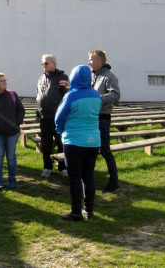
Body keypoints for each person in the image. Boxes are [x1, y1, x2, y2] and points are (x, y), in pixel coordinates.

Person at [55, 65, 102, 221]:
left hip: (74, 140)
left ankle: (76, 213)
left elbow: (59, 118)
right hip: (93, 140)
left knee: (74, 177)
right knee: (88, 175)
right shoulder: (96, 95)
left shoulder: (71, 95)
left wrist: (61, 130)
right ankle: (89, 210)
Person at [88, 50, 121, 193]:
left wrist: (97, 99)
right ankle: (89, 179)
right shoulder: (92, 75)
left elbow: (115, 95)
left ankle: (114, 183)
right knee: (91, 149)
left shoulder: (109, 76)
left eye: (91, 59)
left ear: (99, 61)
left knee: (105, 151)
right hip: (92, 117)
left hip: (102, 118)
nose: (88, 62)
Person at [36, 54, 69, 178]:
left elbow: (66, 97)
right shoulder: (41, 79)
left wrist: (64, 114)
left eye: (46, 63)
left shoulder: (62, 77)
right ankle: (47, 166)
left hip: (58, 117)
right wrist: (37, 113)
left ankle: (62, 167)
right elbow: (38, 96)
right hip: (44, 117)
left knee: (61, 143)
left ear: (54, 64)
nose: (43, 66)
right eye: (42, 63)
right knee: (46, 144)